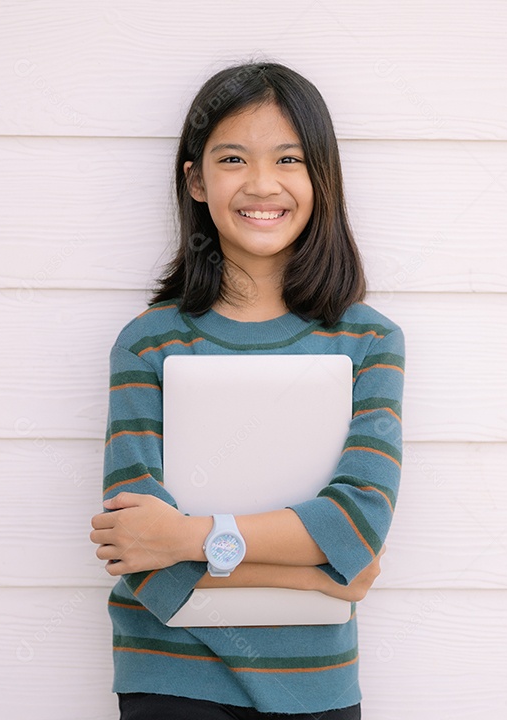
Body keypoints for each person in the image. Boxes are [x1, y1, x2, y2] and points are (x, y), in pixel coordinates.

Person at [89, 61, 405, 719]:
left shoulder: (370, 343)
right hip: (171, 679)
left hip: (316, 681)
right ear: (196, 180)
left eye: (288, 158)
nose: (262, 183)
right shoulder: (147, 342)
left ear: (321, 177)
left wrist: (191, 537)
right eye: (234, 157)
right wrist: (326, 573)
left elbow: (358, 527)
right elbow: (141, 555)